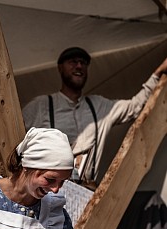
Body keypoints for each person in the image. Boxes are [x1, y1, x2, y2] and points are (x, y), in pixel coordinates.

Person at [22, 46, 167, 186]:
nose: (79, 66)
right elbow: (15, 137)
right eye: (73, 61)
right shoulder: (41, 106)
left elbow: (135, 106)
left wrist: (158, 74)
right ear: (60, 68)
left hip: (87, 193)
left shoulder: (98, 106)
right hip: (51, 191)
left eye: (83, 63)